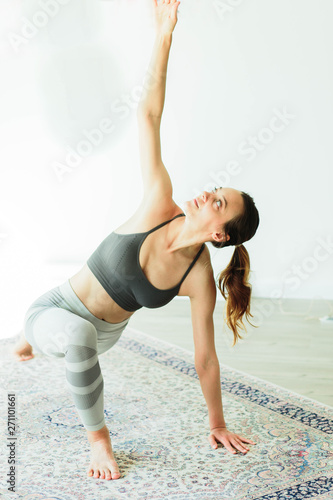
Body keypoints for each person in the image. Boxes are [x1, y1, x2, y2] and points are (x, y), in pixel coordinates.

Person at [14, 0, 259, 482]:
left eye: (218, 203)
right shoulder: (158, 202)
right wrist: (163, 34)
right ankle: (97, 439)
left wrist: (218, 423)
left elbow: (205, 357)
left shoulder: (198, 279)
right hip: (57, 307)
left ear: (218, 234)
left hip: (101, 336)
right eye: (216, 189)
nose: (208, 193)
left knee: (83, 339)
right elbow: (148, 115)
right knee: (69, 333)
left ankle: (39, 344)